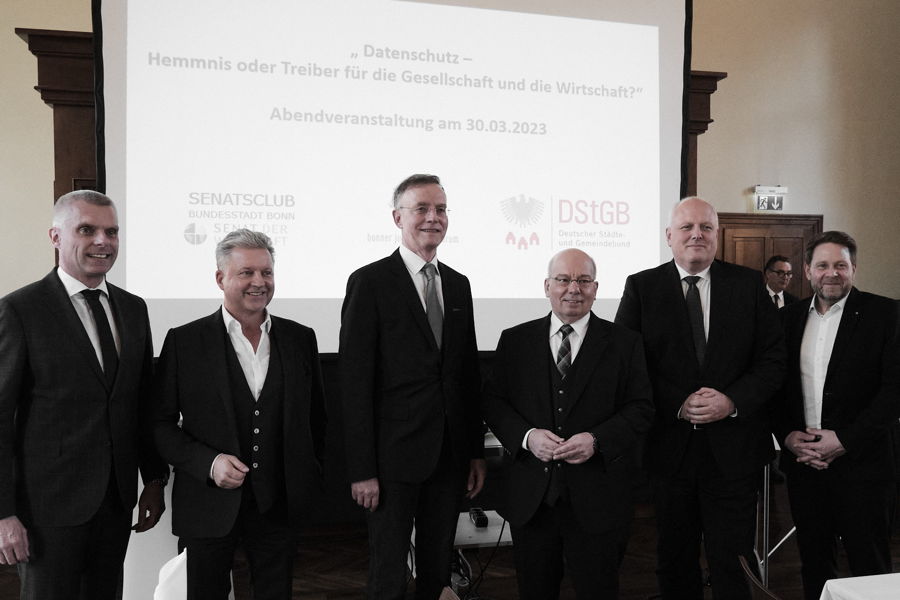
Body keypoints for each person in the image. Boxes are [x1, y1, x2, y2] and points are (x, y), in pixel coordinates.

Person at [615, 196, 785, 599]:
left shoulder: (747, 285)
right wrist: (678, 401)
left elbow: (773, 359)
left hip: (736, 451)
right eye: (687, 227)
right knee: (674, 557)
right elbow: (628, 363)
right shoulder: (642, 286)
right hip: (670, 450)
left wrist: (731, 400)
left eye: (706, 227)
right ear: (669, 236)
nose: (697, 234)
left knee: (735, 558)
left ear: (717, 235)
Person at [0, 190, 167, 599]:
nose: (102, 241)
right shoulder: (21, 310)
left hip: (115, 502)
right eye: (87, 230)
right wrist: (3, 514)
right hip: (45, 511)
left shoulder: (133, 309)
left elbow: (140, 402)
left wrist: (155, 479)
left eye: (111, 232)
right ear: (55, 237)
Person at [153, 229, 327, 599]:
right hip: (207, 505)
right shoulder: (184, 342)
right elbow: (160, 425)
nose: (259, 282)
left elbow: (316, 420)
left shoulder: (301, 339)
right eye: (246, 272)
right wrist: (208, 462)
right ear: (220, 278)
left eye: (266, 272)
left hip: (278, 504)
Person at [339, 174, 485, 599]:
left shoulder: (458, 284)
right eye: (422, 208)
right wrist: (362, 468)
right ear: (397, 217)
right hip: (391, 460)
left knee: (437, 570)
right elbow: (354, 381)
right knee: (388, 572)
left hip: (450, 455)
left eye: (440, 209)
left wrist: (474, 451)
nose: (432, 218)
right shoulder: (370, 282)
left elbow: (467, 375)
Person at [483, 249, 654, 599]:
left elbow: (641, 408)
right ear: (547, 286)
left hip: (599, 499)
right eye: (563, 279)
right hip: (532, 499)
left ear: (595, 288)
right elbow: (493, 403)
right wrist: (527, 438)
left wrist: (597, 439)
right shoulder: (515, 341)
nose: (573, 288)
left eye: (583, 280)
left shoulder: (625, 343)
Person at [772, 231, 899, 600]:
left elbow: (894, 393)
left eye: (841, 265)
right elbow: (775, 389)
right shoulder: (786, 319)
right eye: (823, 265)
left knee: (869, 566)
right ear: (808, 270)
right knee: (814, 563)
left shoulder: (886, 314)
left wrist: (843, 440)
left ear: (854, 269)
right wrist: (789, 437)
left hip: (865, 467)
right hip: (806, 466)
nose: (832, 273)